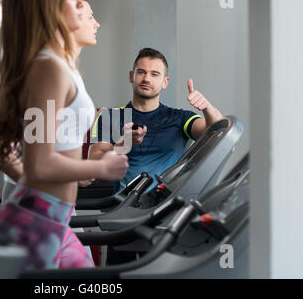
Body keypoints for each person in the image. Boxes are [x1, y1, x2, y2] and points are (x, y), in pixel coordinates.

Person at [0, 0, 128, 271]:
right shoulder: (49, 69)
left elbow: (39, 161)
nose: (81, 5)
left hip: (51, 216)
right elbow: (41, 166)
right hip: (36, 223)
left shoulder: (55, 67)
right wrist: (100, 168)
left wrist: (66, 172)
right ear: (50, 8)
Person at [88, 47, 223, 264]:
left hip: (167, 218)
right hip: (123, 217)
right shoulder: (110, 118)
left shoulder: (180, 118)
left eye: (154, 74)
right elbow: (93, 166)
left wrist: (206, 107)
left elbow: (218, 130)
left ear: (165, 82)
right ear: (131, 76)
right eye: (141, 72)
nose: (146, 78)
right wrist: (121, 146)